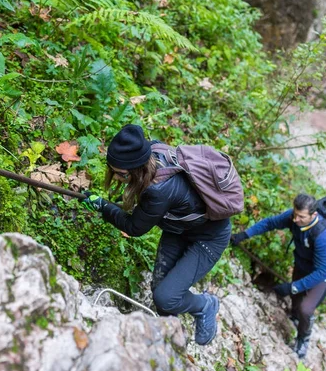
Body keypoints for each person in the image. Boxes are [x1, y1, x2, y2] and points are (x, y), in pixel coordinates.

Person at [82, 124, 232, 346]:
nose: (116, 176)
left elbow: (134, 227)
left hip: (208, 238)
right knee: (161, 294)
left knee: (166, 297)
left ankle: (205, 305)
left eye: (121, 174)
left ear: (136, 168)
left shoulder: (158, 190)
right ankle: (169, 336)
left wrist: (103, 206)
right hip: (178, 228)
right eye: (112, 169)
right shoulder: (152, 152)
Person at [230, 193, 326, 359]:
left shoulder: (324, 237)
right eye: (295, 214)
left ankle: (303, 338)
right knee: (296, 301)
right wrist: (246, 234)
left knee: (306, 308)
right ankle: (295, 317)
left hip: (323, 275)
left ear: (313, 215)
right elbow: (270, 223)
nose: (295, 220)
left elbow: (322, 271)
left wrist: (292, 287)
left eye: (301, 217)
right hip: (302, 265)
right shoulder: (294, 217)